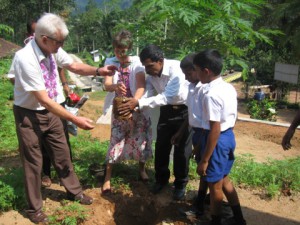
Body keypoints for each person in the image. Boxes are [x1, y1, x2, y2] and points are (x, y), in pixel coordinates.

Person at [12, 13, 116, 224]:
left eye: (62, 42)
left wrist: (98, 70)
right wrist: (75, 120)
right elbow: (43, 99)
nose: (61, 46)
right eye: (59, 42)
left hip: (52, 110)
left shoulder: (52, 48)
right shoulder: (25, 58)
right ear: (43, 39)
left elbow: (74, 66)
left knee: (62, 153)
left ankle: (74, 191)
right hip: (29, 114)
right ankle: (34, 210)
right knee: (33, 162)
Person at [118, 44, 192, 201]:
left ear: (160, 60)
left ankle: (180, 184)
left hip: (184, 112)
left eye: (150, 66)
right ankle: (161, 180)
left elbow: (170, 96)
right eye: (145, 66)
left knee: (182, 151)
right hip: (166, 111)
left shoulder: (176, 69)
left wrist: (137, 104)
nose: (147, 70)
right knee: (161, 146)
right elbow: (149, 94)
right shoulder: (151, 75)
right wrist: (136, 104)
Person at [7, 18, 72, 188]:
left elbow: (66, 66)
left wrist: (65, 85)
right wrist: (30, 87)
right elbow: (14, 77)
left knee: (61, 144)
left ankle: (68, 180)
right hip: (35, 107)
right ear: (33, 35)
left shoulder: (53, 49)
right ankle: (45, 175)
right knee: (37, 149)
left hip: (55, 103)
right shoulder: (25, 56)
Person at [193, 49, 246, 225]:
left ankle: (215, 222)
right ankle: (239, 219)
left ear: (206, 71)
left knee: (214, 185)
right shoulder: (228, 87)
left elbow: (214, 128)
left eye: (196, 69)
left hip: (216, 139)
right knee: (224, 180)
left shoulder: (211, 95)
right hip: (228, 137)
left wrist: (205, 159)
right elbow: (233, 117)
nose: (195, 73)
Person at [101, 30, 152, 194]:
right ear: (114, 48)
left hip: (137, 108)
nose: (121, 54)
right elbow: (106, 85)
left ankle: (142, 169)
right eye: (117, 50)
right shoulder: (110, 62)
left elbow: (141, 86)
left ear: (130, 49)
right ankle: (107, 178)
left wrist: (133, 103)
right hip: (119, 110)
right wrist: (114, 86)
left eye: (124, 51)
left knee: (141, 139)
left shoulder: (137, 63)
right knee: (115, 140)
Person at [171, 53, 208, 214]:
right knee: (204, 170)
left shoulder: (206, 91)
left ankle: (203, 205)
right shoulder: (192, 87)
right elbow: (191, 113)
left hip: (206, 135)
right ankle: (201, 199)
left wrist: (199, 145)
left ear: (198, 70)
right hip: (198, 133)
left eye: (189, 73)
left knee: (208, 170)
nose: (186, 78)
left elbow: (209, 123)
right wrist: (180, 131)